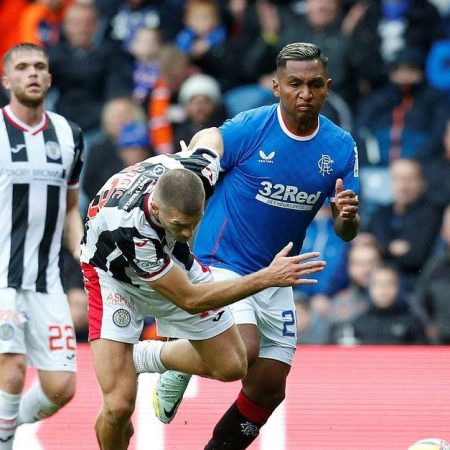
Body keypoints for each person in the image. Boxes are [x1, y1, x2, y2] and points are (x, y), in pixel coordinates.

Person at [148, 42, 360, 450]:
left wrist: (347, 218)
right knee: (241, 350)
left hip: (276, 273)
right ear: (276, 86)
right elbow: (207, 148)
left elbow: (346, 231)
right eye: (294, 83)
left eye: (315, 84)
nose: (305, 93)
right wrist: (198, 159)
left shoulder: (341, 147)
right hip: (220, 259)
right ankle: (158, 358)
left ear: (328, 87)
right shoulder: (252, 127)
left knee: (269, 387)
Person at [80, 136, 326, 449]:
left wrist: (194, 145)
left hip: (170, 261)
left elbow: (212, 137)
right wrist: (267, 277)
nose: (188, 233)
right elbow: (189, 300)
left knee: (233, 365)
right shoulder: (132, 228)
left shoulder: (199, 170)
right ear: (156, 207)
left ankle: (147, 356)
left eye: (193, 224)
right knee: (118, 406)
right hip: (114, 277)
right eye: (180, 225)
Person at [0, 43, 84, 448]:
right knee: (12, 368)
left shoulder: (70, 136)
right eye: (22, 67)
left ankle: (5, 427)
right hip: (2, 278)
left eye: (39, 67)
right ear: (7, 80)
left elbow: (70, 207)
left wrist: (83, 249)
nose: (31, 73)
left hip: (47, 281)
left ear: (49, 78)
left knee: (61, 388)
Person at [352, 265, 427, 344]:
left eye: (389, 283)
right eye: (378, 283)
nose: (384, 289)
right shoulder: (359, 322)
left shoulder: (411, 321)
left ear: (398, 286)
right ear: (369, 287)